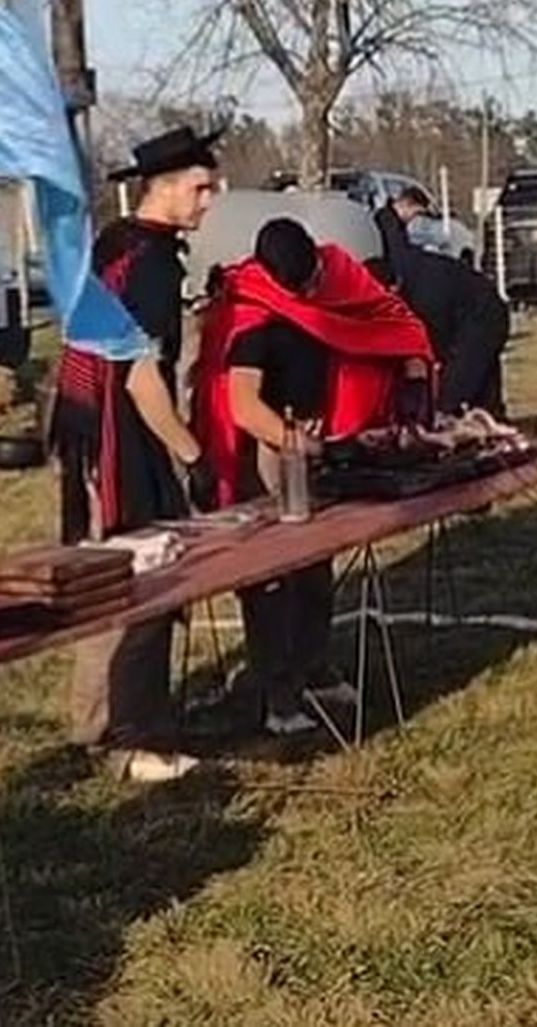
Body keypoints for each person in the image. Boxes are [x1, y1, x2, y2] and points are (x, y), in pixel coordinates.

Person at [193, 218, 432, 734]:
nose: (311, 289)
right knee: (273, 575)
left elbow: (383, 321)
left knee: (316, 564)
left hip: (317, 436)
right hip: (272, 452)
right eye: (301, 286)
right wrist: (296, 441)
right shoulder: (251, 317)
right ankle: (278, 695)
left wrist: (408, 375)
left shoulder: (333, 281)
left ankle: (314, 667)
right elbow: (243, 405)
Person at [47, 124, 220, 783]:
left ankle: (97, 724)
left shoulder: (117, 244)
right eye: (201, 188)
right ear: (167, 187)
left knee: (103, 580)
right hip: (118, 438)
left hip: (91, 429)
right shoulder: (143, 261)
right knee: (140, 582)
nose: (208, 201)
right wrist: (192, 452)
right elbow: (141, 375)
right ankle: (132, 738)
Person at [374, 185, 510, 415]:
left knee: (455, 387)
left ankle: (460, 420)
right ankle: (491, 417)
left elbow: (435, 342)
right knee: (479, 380)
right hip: (475, 303)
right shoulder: (405, 266)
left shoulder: (424, 293)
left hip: (479, 313)